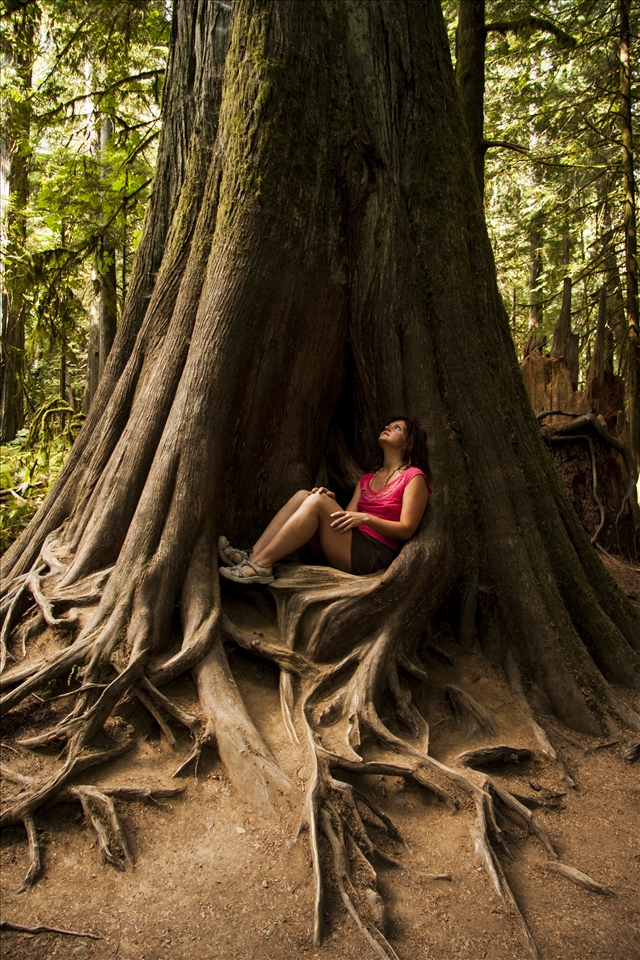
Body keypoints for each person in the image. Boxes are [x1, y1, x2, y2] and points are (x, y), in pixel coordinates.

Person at [218, 417, 432, 584]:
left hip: (373, 555)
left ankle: (260, 565)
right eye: (389, 424)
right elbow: (346, 517)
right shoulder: (368, 479)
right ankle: (252, 556)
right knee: (306, 495)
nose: (388, 426)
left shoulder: (413, 477)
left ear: (409, 443)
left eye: (397, 428)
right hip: (349, 546)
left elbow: (406, 529)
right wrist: (328, 502)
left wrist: (366, 518)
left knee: (318, 500)